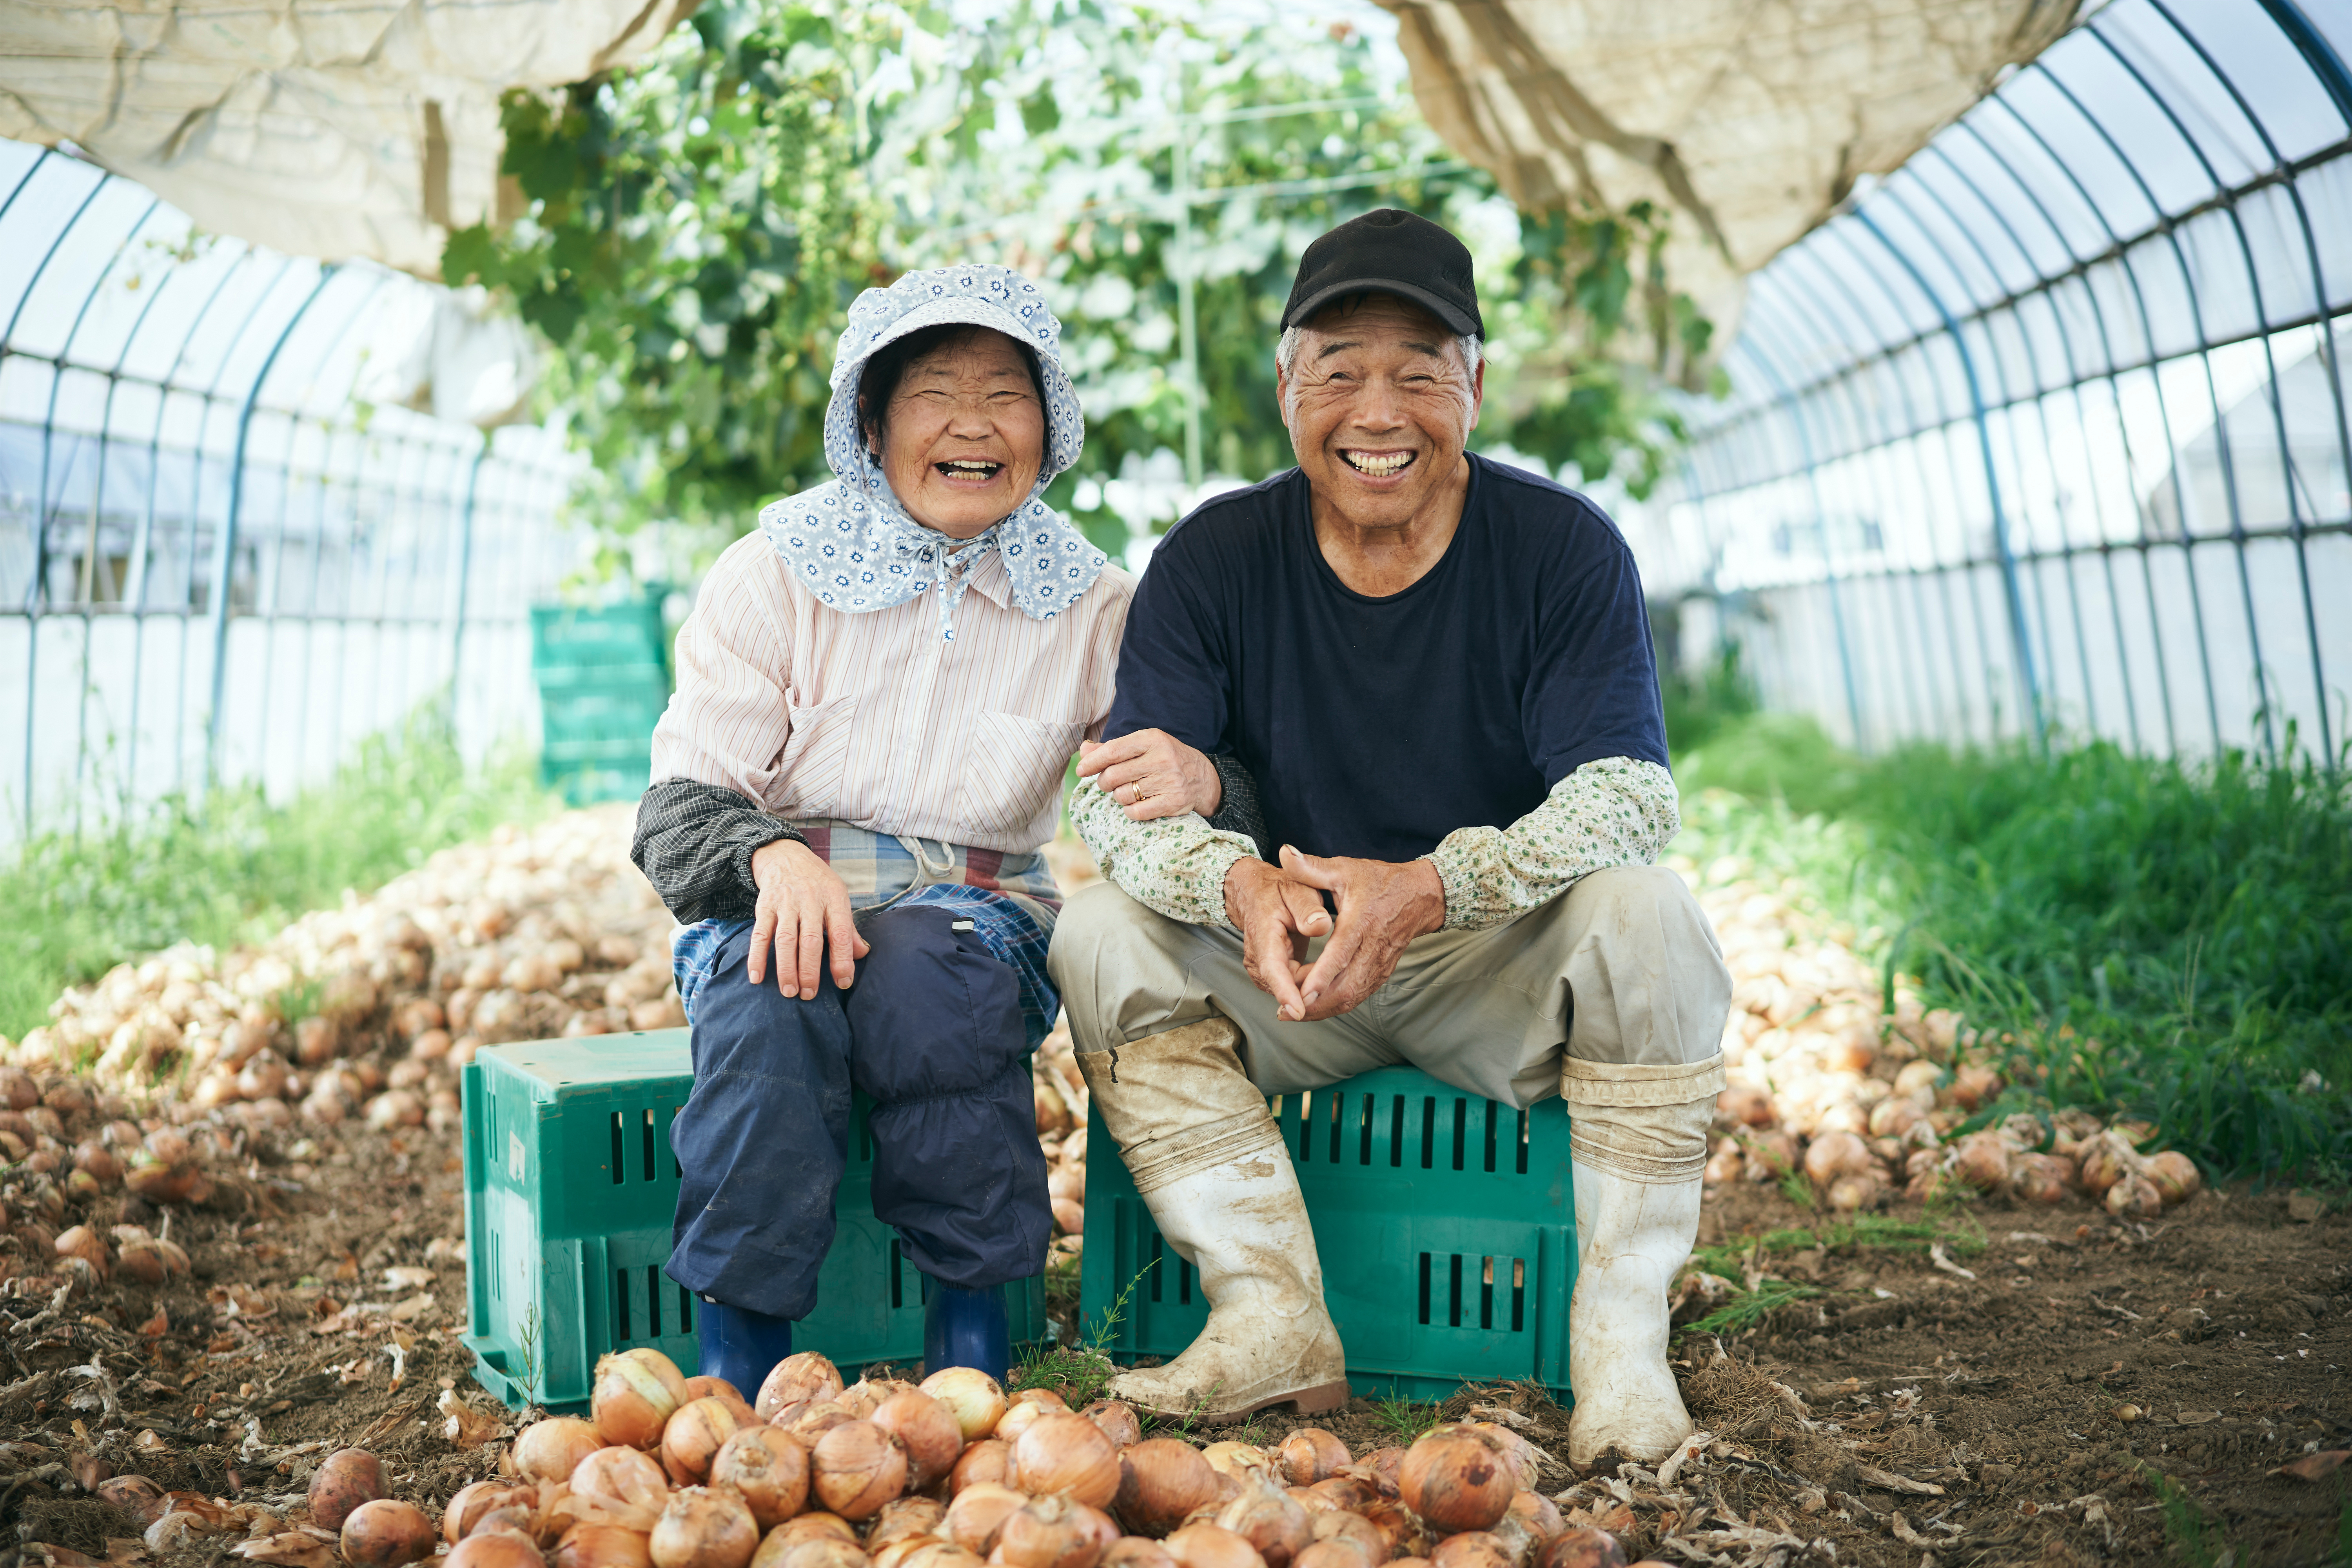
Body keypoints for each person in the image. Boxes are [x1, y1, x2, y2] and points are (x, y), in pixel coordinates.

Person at [1049, 210, 1734, 1463]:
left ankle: (1623, 1343)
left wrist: (1435, 884)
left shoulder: (1561, 550)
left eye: (1421, 372)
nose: (1381, 410)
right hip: (1290, 970)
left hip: (1494, 968)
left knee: (1651, 913)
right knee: (1098, 930)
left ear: (1474, 389)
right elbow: (1112, 797)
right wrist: (1240, 883)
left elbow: (1630, 796)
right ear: (1286, 390)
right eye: (1342, 371)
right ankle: (1267, 1315)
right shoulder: (1214, 557)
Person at [631, 265, 1130, 1393]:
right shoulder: (774, 575)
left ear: (1049, 428)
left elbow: (1171, 761)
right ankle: (744, 1353)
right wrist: (768, 858)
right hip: (775, 895)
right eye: (935, 394)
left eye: (1007, 394)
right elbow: (676, 805)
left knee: (922, 973)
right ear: (870, 420)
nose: (972, 424)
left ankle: (970, 1329)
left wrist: (1206, 780)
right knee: (770, 993)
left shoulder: (1094, 602)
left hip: (974, 914)